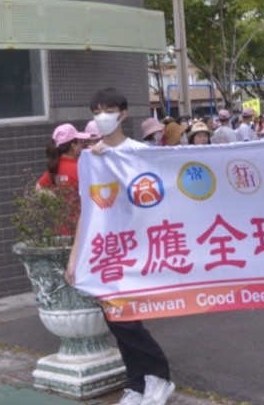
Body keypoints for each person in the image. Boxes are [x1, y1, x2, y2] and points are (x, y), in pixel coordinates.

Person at [66, 88, 175, 405]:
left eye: (109, 110)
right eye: (97, 111)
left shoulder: (139, 152)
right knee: (117, 318)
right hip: (104, 251)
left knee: (125, 318)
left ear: (123, 114)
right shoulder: (90, 159)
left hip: (137, 247)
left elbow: (157, 198)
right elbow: (87, 211)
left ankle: (160, 375)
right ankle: (138, 384)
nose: (103, 116)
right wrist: (75, 258)